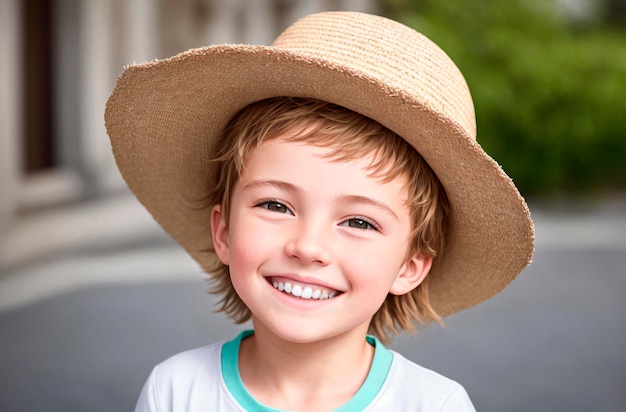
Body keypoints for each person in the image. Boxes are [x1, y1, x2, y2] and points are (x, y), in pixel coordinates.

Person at [105, 11, 534, 412]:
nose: (308, 247)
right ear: (223, 232)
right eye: (275, 205)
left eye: (359, 222)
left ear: (410, 265)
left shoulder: (434, 405)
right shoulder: (176, 392)